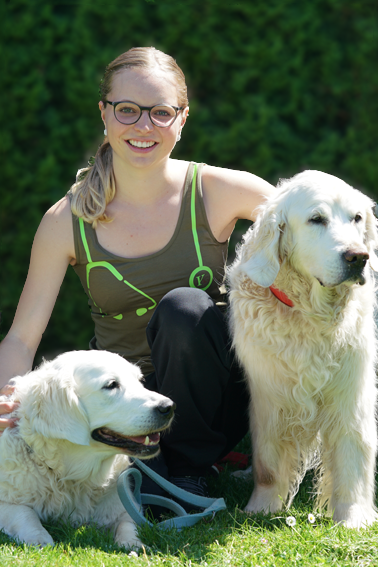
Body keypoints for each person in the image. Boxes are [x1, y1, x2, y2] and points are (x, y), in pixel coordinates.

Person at [0, 47, 274, 500]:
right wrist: (9, 399)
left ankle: (189, 468)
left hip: (216, 400)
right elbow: (22, 338)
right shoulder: (65, 220)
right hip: (123, 408)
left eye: (160, 113)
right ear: (104, 114)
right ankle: (152, 464)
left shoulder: (221, 191)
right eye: (128, 110)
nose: (143, 126)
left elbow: (307, 226)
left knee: (185, 308)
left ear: (182, 120)